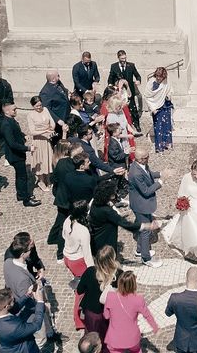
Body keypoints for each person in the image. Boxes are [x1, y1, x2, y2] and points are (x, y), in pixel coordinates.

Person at [90, 179, 157, 255]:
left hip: (96, 237)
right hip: (106, 239)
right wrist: (145, 226)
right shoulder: (107, 211)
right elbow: (124, 223)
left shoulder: (95, 204)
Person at [77, 245, 124, 348]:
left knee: (94, 339)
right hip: (110, 314)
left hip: (92, 314)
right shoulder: (119, 274)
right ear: (113, 258)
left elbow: (79, 290)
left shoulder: (90, 272)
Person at [104, 271, 158, 353]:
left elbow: (106, 316)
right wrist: (155, 328)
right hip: (132, 339)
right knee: (136, 350)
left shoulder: (110, 296)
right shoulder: (138, 299)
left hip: (114, 339)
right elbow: (148, 316)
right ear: (133, 285)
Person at [0, 103, 40, 207]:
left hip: (17, 154)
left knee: (19, 176)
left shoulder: (11, 120)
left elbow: (16, 132)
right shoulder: (6, 124)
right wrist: (28, 148)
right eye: (14, 110)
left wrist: (24, 135)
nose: (16, 111)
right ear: (7, 112)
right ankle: (26, 200)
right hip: (15, 156)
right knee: (23, 177)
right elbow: (12, 144)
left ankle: (21, 194)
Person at [129, 149, 164, 267]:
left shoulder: (141, 164)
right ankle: (146, 258)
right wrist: (160, 182)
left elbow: (148, 174)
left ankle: (139, 250)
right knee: (145, 231)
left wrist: (160, 173)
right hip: (140, 205)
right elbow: (146, 191)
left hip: (142, 204)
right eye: (147, 157)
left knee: (142, 228)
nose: (149, 158)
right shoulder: (136, 173)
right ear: (140, 159)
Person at [63, 200, 94, 330]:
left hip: (67, 257)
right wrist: (92, 270)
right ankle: (78, 320)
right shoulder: (83, 231)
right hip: (79, 262)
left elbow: (64, 236)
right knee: (80, 293)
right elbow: (87, 253)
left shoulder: (67, 220)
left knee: (79, 288)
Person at [0, 286, 45, 353]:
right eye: (13, 301)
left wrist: (27, 295)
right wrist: (40, 301)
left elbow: (13, 309)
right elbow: (36, 325)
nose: (15, 301)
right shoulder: (14, 327)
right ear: (7, 306)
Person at [48, 140, 80, 262]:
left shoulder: (60, 162)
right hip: (70, 200)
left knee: (61, 221)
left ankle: (52, 239)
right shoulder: (75, 168)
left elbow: (54, 179)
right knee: (64, 226)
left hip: (61, 198)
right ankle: (60, 253)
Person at [26, 95, 55, 192]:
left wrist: (51, 127)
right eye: (36, 106)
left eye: (40, 105)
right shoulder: (30, 115)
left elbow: (52, 122)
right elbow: (32, 131)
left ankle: (47, 178)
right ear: (32, 106)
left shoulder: (45, 110)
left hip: (46, 140)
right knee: (40, 160)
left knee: (47, 159)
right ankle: (41, 180)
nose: (39, 107)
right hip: (38, 140)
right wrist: (44, 131)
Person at [108, 50, 142, 131]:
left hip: (129, 90)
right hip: (119, 91)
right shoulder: (114, 66)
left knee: (133, 108)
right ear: (118, 58)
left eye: (125, 58)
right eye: (122, 58)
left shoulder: (131, 65)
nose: (124, 60)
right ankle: (120, 125)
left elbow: (138, 75)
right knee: (120, 107)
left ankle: (136, 124)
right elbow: (110, 79)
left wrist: (138, 80)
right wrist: (111, 86)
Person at [144, 66, 174, 152]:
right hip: (156, 108)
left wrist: (169, 95)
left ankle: (167, 144)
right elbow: (147, 96)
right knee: (158, 127)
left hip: (165, 105)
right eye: (157, 76)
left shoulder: (166, 81)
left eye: (160, 77)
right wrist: (152, 108)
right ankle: (159, 146)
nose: (158, 78)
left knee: (167, 125)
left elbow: (170, 89)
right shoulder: (151, 83)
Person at [39, 70, 71, 145]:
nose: (59, 77)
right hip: (58, 119)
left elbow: (63, 90)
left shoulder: (58, 83)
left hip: (66, 115)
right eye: (58, 75)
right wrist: (57, 120)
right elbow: (46, 109)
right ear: (53, 79)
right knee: (58, 140)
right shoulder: (45, 92)